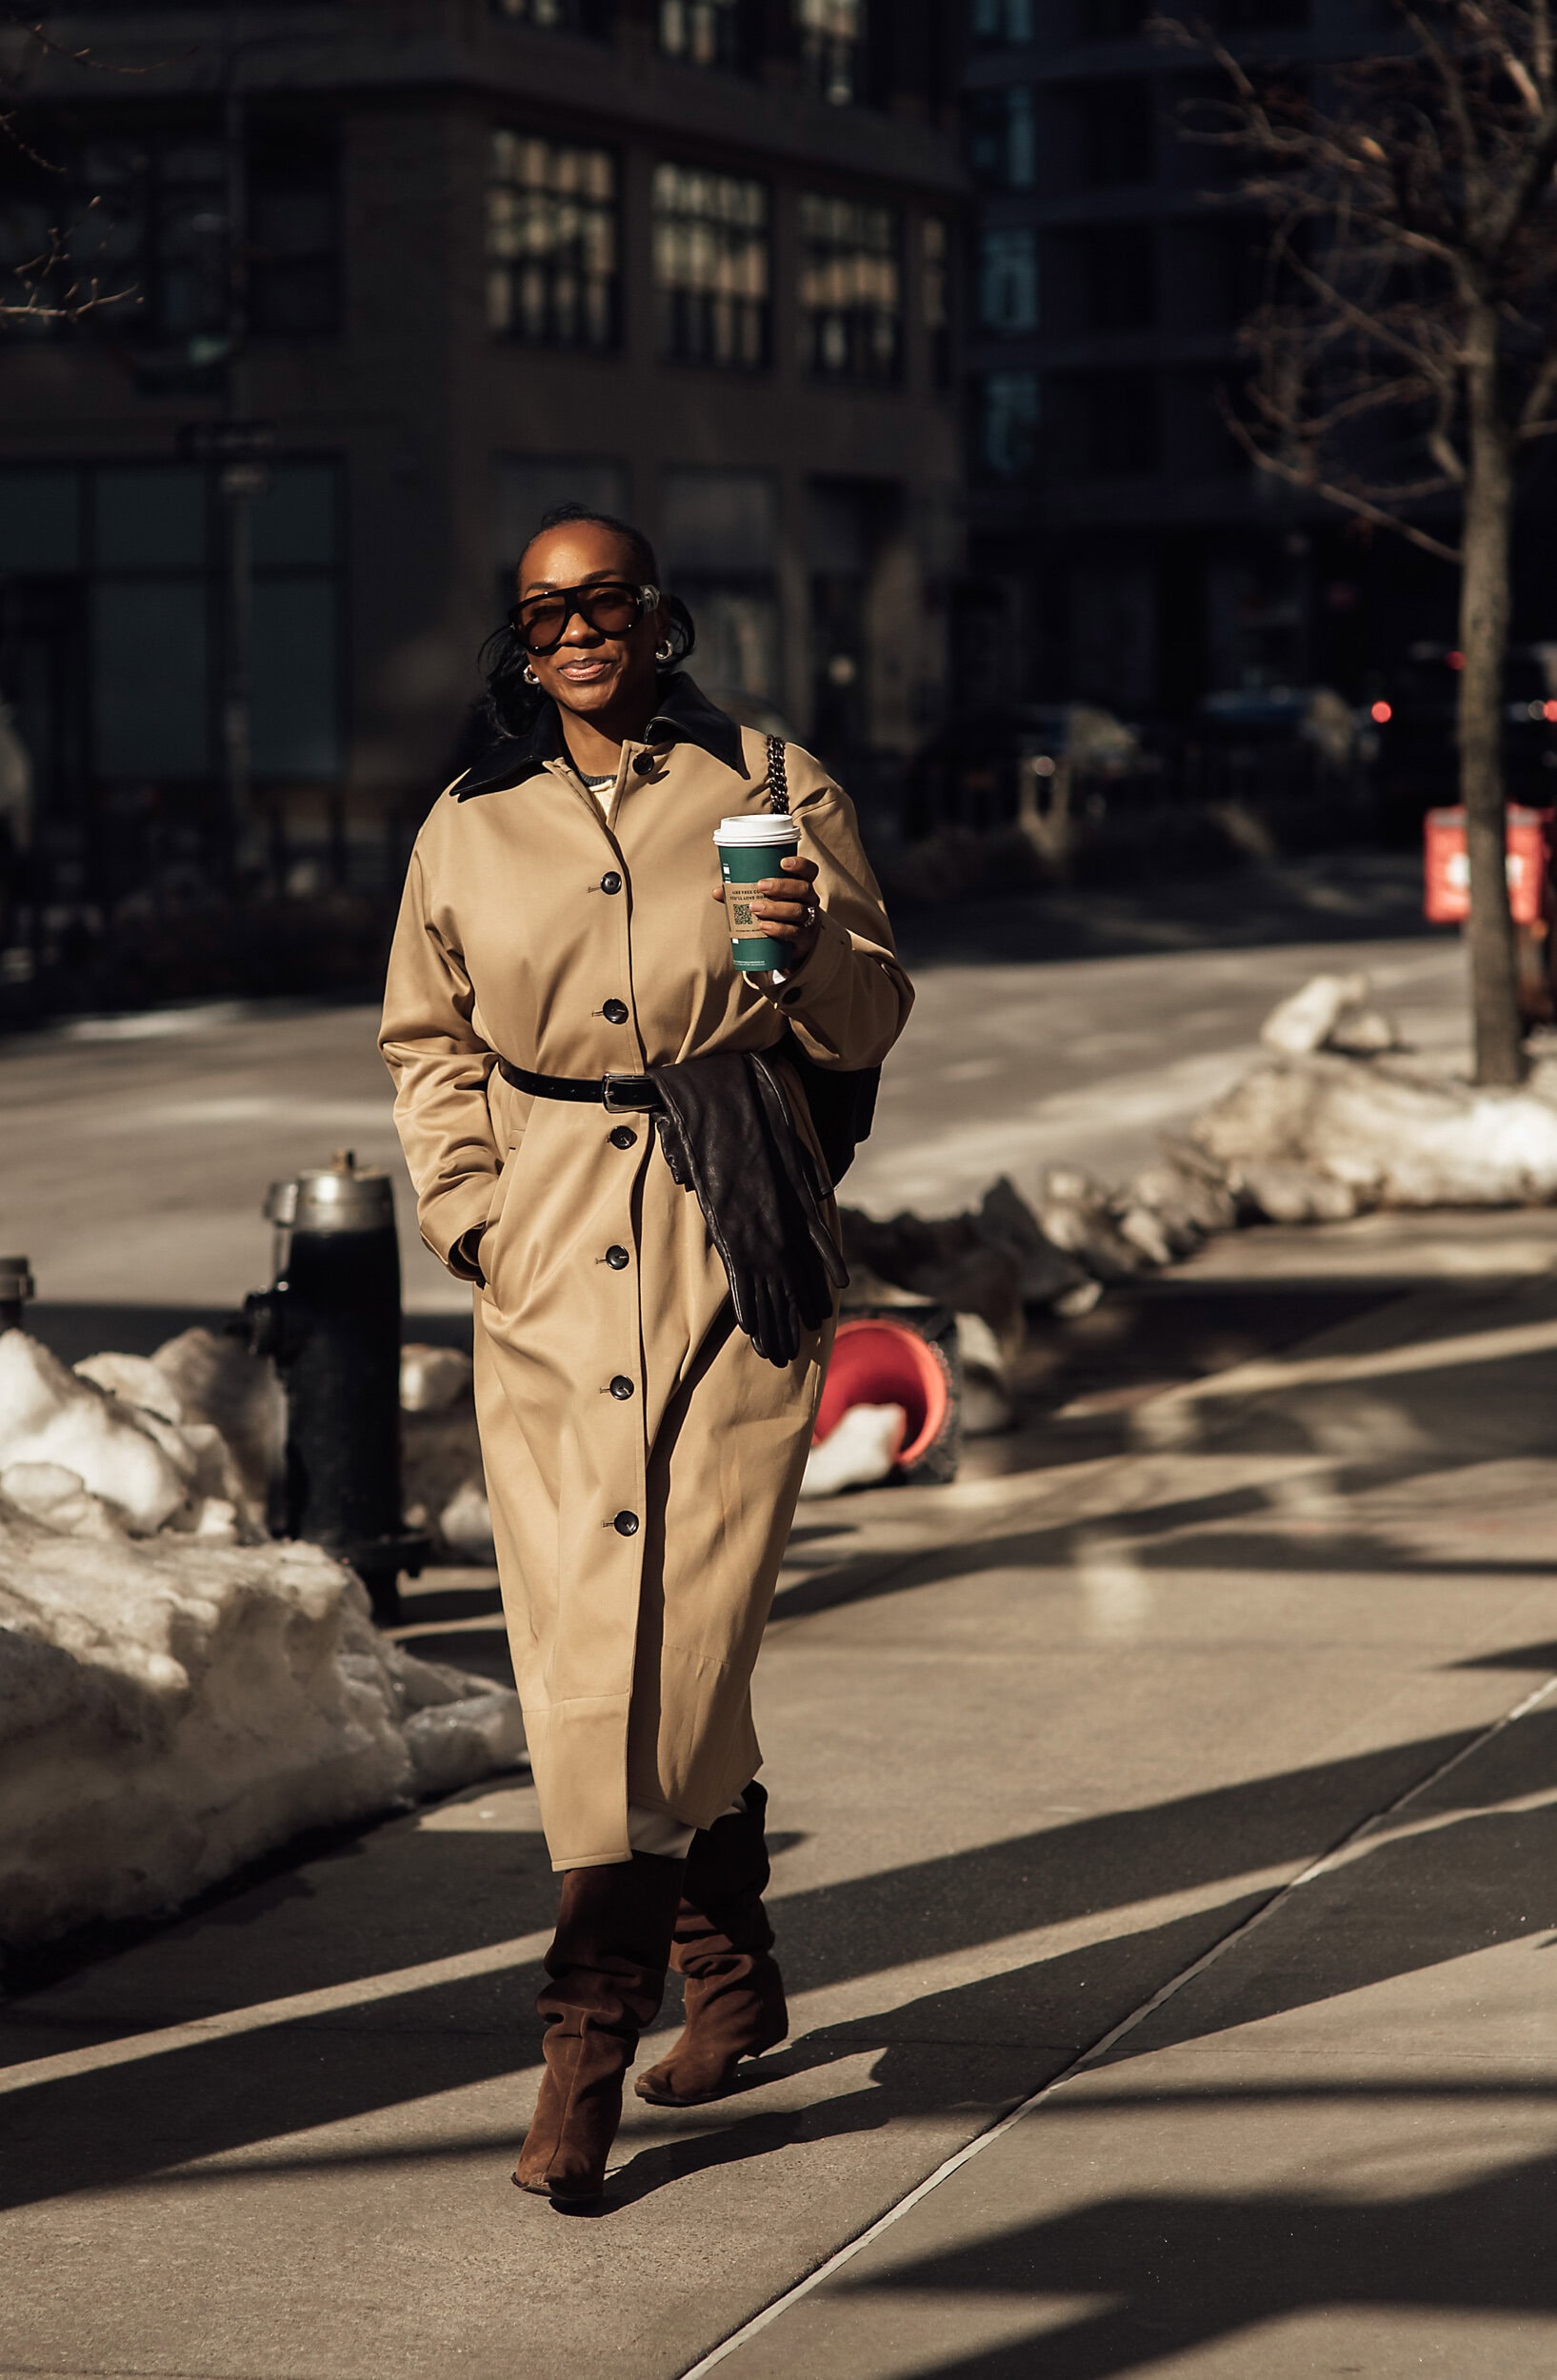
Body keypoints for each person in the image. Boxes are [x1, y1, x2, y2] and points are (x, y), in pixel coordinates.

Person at [380, 504, 912, 2204]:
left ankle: (580, 2050)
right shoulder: (467, 823)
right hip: (544, 1259)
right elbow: (427, 1041)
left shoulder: (771, 783)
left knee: (678, 1644)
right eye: (548, 614)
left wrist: (807, 942)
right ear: (518, 644)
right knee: (592, 1652)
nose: (581, 633)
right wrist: (473, 1217)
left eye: (607, 602)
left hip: (729, 1239)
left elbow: (873, 1013)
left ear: (659, 617)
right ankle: (735, 1982)